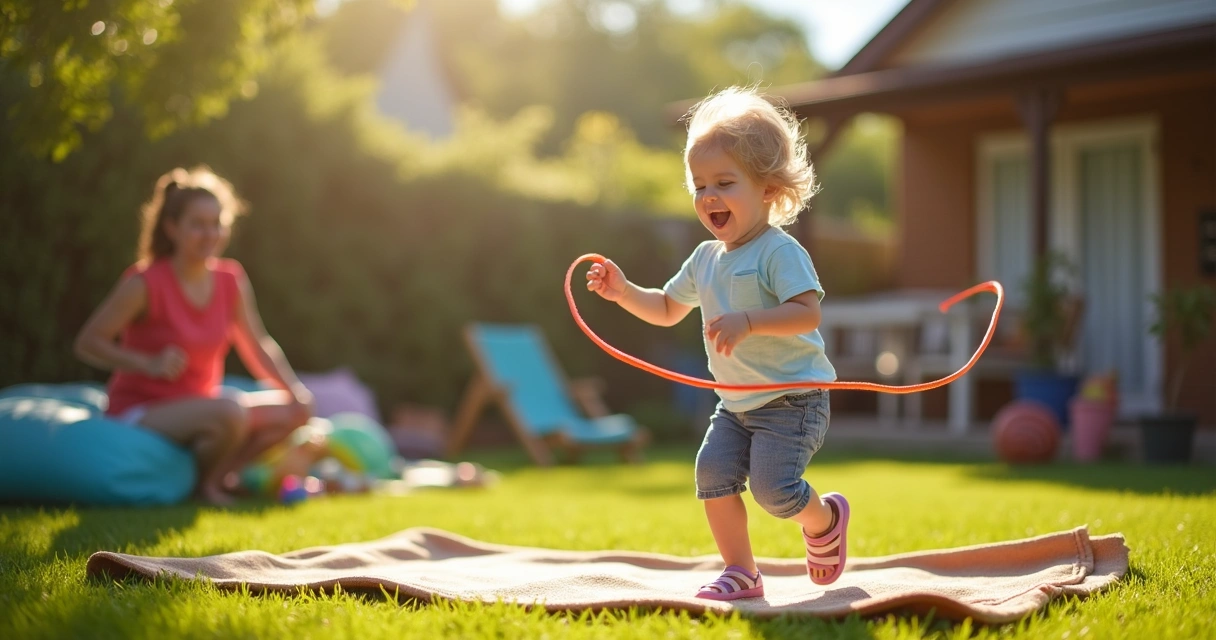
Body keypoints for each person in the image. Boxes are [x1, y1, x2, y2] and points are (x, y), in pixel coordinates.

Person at [585, 87, 848, 599]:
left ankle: (824, 520)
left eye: (725, 183)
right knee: (712, 474)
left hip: (794, 401)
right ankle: (741, 571)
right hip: (735, 405)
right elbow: (664, 307)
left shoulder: (778, 251)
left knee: (776, 492)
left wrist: (749, 321)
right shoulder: (705, 258)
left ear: (768, 190)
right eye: (699, 185)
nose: (709, 197)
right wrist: (623, 293)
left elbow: (806, 312)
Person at [75, 166, 314, 505]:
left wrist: (294, 391)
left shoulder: (231, 279)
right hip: (143, 409)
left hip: (203, 404)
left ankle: (218, 477)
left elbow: (256, 343)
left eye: (217, 223)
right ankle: (205, 487)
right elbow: (89, 342)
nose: (210, 234)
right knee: (230, 411)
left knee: (296, 411)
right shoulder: (144, 282)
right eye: (198, 224)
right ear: (172, 228)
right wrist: (147, 363)